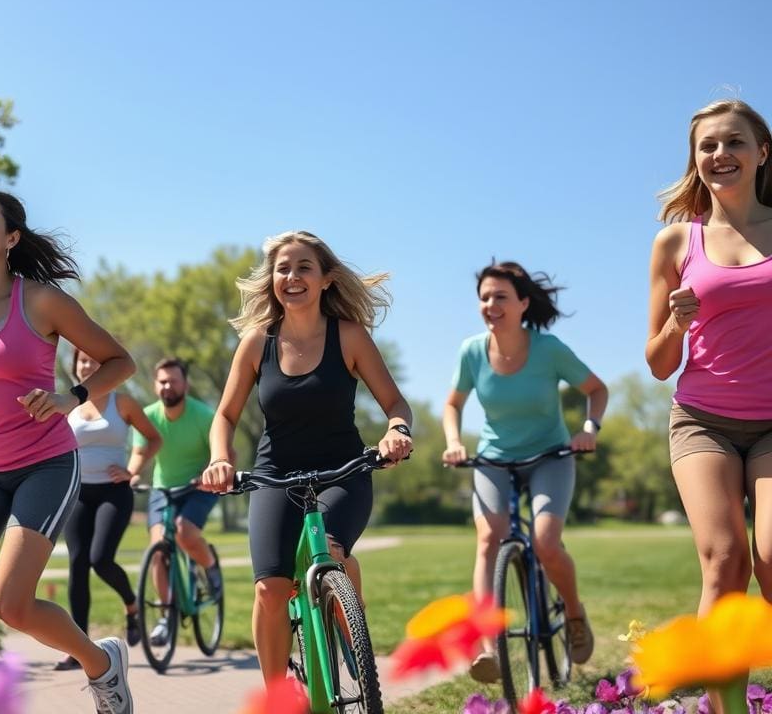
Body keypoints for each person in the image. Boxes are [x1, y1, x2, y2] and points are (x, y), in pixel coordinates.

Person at [0, 184, 136, 714]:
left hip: (44, 464)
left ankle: (101, 663)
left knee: (11, 604)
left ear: (10, 237)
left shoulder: (40, 300)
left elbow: (119, 361)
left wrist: (70, 397)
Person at [201, 230, 413, 683]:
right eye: (283, 268)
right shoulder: (258, 342)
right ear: (272, 279)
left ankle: (348, 623)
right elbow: (224, 415)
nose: (292, 277)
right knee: (271, 589)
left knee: (331, 552)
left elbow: (395, 404)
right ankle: (276, 695)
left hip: (344, 471)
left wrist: (397, 431)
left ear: (326, 279)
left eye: (303, 268)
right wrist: (220, 458)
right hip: (275, 475)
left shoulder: (349, 337)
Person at [442, 261, 607, 683]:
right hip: (494, 459)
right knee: (487, 539)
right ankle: (486, 647)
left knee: (547, 542)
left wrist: (589, 429)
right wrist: (454, 441)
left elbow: (596, 390)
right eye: (484, 298)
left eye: (500, 297)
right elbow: (453, 404)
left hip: (550, 456)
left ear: (522, 303)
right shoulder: (472, 351)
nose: (490, 305)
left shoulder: (548, 349)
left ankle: (572, 613)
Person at [646, 101, 772, 636]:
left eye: (735, 142)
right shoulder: (677, 241)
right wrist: (677, 323)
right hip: (704, 420)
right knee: (724, 562)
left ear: (762, 152)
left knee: (770, 559)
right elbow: (657, 362)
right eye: (708, 146)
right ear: (695, 159)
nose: (722, 154)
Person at [53, 348, 163, 671]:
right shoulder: (67, 405)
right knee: (77, 563)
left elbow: (152, 439)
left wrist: (133, 468)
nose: (87, 365)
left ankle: (131, 605)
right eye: (82, 360)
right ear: (75, 366)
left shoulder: (122, 402)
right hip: (77, 493)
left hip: (115, 493)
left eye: (93, 360)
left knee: (100, 558)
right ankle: (78, 647)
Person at [126, 357, 220, 647]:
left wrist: (209, 473)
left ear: (185, 384)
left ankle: (210, 566)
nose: (167, 386)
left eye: (173, 381)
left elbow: (224, 450)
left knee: (185, 532)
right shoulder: (149, 416)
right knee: (158, 551)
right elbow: (141, 453)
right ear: (156, 385)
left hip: (198, 485)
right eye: (162, 381)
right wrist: (130, 474)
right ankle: (166, 617)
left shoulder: (204, 416)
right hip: (163, 488)